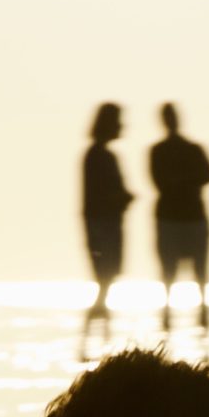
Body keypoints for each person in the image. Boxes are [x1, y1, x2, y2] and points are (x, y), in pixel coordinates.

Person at [149, 103, 209, 331]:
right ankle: (168, 314)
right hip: (171, 218)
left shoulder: (193, 148)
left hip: (192, 217)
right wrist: (187, 180)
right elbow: (160, 182)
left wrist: (180, 181)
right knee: (168, 270)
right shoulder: (158, 151)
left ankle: (203, 313)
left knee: (200, 270)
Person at [79, 103, 133, 353]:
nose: (122, 126)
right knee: (105, 282)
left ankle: (98, 340)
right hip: (104, 226)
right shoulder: (99, 156)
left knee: (106, 283)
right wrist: (122, 198)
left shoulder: (98, 155)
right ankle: (94, 340)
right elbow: (100, 197)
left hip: (104, 225)